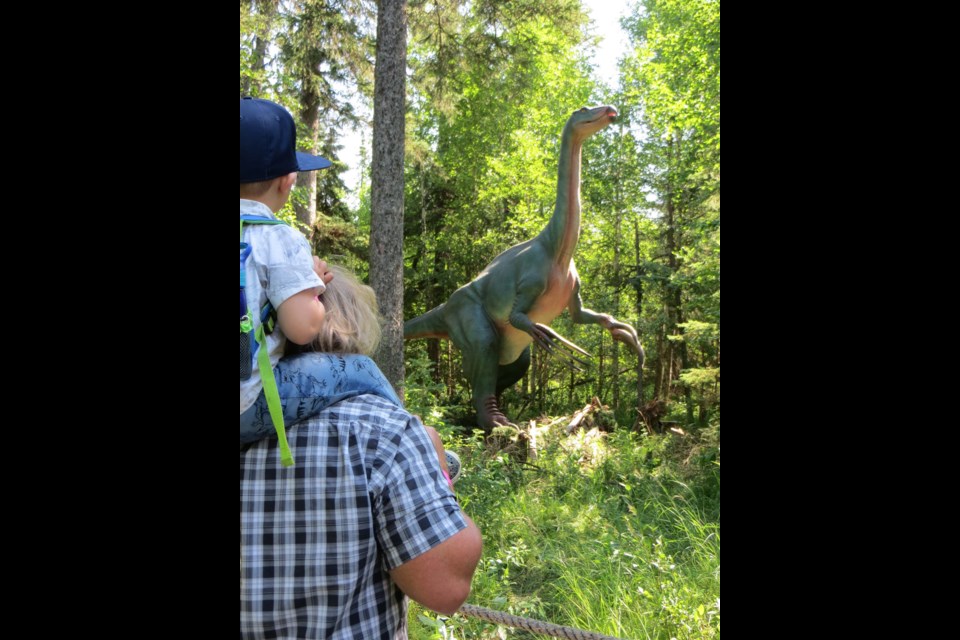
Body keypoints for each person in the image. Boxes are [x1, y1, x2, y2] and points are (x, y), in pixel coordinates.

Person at [240, 97, 398, 454]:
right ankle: (421, 444)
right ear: (288, 181)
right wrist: (307, 283)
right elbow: (303, 328)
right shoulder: (280, 239)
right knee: (362, 370)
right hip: (247, 406)